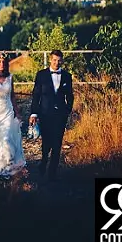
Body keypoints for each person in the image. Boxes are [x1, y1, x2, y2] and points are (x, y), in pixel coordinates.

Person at [30, 50, 73, 181]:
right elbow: (36, 95)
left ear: (62, 61)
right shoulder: (41, 75)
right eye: (54, 60)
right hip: (44, 114)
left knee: (57, 143)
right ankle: (43, 162)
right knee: (46, 142)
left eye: (59, 60)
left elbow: (70, 95)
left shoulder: (67, 76)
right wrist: (34, 113)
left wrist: (67, 110)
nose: (56, 62)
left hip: (60, 115)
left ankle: (52, 173)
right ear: (50, 60)